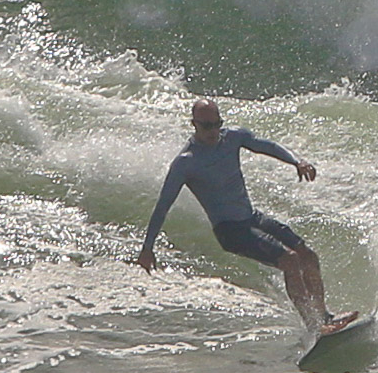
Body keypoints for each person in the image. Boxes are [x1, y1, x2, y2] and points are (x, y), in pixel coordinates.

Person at [135, 99, 358, 335]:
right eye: (207, 126)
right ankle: (315, 326)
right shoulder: (186, 162)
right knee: (290, 261)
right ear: (194, 125)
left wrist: (296, 161)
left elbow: (267, 146)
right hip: (229, 230)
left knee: (307, 255)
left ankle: (324, 316)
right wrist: (148, 248)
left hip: (251, 218)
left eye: (217, 124)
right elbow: (162, 206)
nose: (213, 131)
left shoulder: (232, 138)